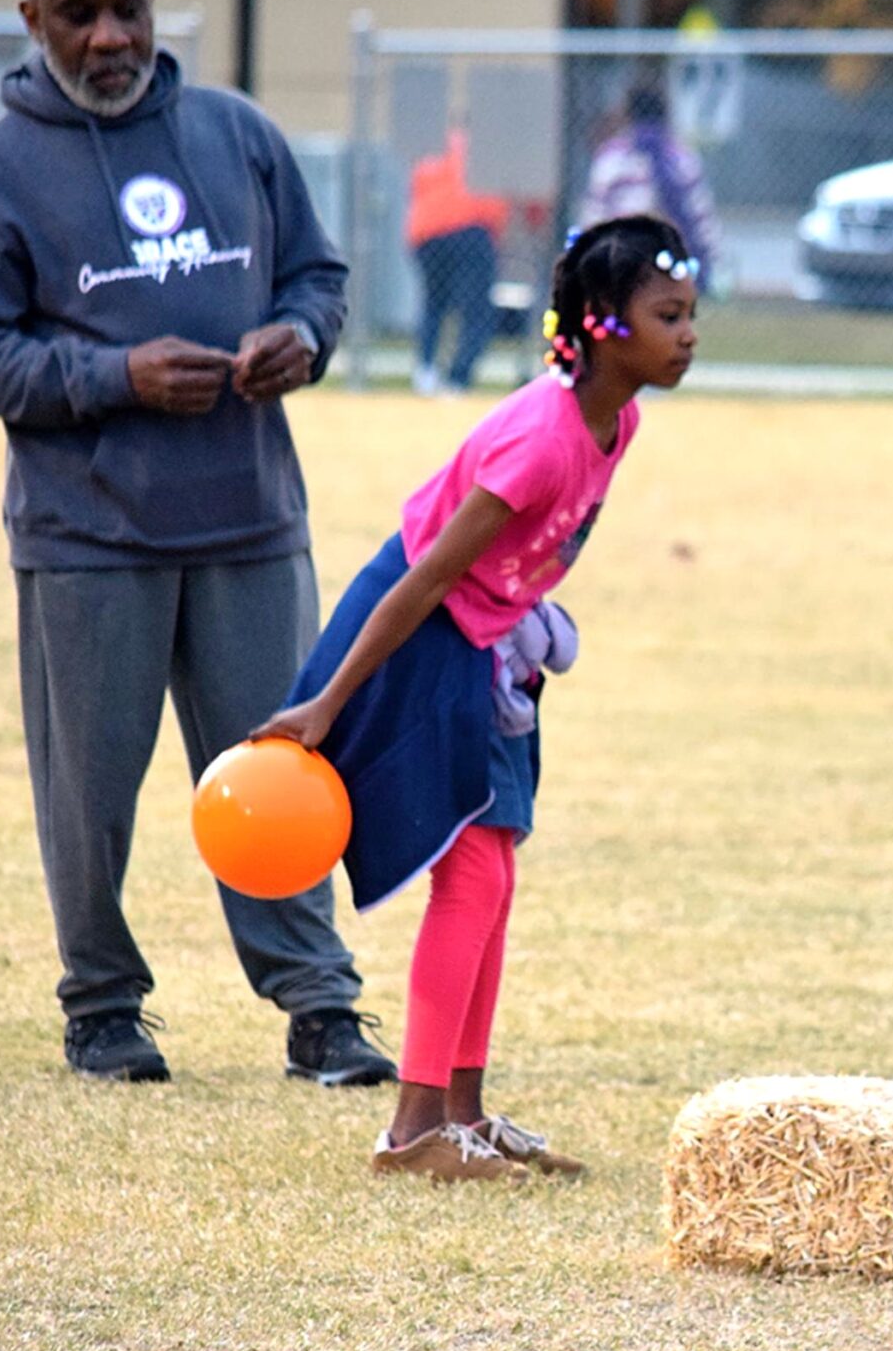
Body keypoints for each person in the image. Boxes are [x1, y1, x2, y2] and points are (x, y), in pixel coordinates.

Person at [0, 0, 394, 1089]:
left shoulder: (237, 135)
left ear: (151, 4)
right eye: (77, 15)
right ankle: (101, 1008)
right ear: (32, 22)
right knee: (88, 791)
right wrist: (111, 378)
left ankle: (320, 1008)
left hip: (250, 518)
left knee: (282, 770)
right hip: (89, 536)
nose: (108, 36)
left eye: (125, 7)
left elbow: (317, 276)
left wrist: (302, 336)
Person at [252, 216, 701, 1181]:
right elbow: (422, 577)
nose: (688, 334)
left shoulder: (616, 420)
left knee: (495, 874)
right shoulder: (539, 439)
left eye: (689, 314)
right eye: (669, 315)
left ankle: (463, 1112)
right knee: (470, 878)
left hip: (489, 643)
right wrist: (327, 703)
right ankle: (412, 1131)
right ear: (604, 323)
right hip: (422, 637)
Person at [577, 83, 726, 295]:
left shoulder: (612, 158)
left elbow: (595, 213)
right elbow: (701, 216)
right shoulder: (681, 158)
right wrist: (712, 258)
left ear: (628, 115)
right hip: (675, 259)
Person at [404, 131, 510, 396]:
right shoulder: (489, 147)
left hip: (427, 233)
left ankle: (425, 371)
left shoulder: (438, 145)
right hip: (471, 229)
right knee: (476, 310)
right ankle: (458, 379)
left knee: (434, 304)